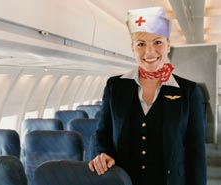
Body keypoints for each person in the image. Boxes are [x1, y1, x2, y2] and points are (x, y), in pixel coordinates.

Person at [88, 6, 207, 185]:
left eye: (157, 42)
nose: (149, 52)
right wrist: (100, 153)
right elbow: (101, 134)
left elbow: (196, 153)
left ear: (168, 45)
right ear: (132, 48)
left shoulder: (188, 91)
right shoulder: (115, 86)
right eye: (141, 44)